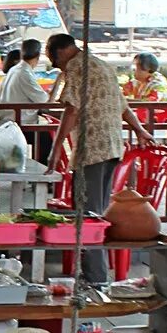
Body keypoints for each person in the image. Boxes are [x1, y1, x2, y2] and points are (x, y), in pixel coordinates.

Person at [46, 33, 153, 285]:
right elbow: (123, 106)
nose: (57, 68)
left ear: (60, 52)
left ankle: (95, 279)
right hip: (112, 147)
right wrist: (139, 130)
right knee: (99, 213)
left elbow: (71, 109)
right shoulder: (100, 65)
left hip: (92, 149)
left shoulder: (76, 67)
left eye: (55, 61)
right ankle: (95, 275)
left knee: (89, 217)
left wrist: (56, 149)